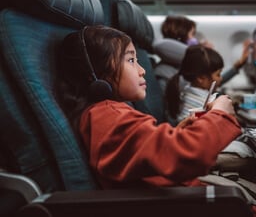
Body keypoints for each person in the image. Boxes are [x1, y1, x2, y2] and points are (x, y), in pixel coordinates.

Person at [57, 25, 242, 189]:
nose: (142, 70)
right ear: (96, 72)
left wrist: (177, 133)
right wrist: (220, 114)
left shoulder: (109, 112)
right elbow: (188, 155)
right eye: (131, 60)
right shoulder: (107, 117)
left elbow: (143, 158)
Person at [153, 15, 252, 93]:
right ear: (180, 37)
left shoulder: (183, 67)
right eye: (192, 34)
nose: (195, 40)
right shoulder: (164, 73)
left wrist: (236, 66)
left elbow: (210, 82)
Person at [165, 45, 224, 123]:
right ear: (201, 78)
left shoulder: (188, 90)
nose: (221, 78)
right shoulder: (203, 103)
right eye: (218, 74)